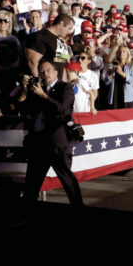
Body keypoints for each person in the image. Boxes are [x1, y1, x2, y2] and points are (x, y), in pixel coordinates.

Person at [18, 59, 83, 206]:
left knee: (67, 180)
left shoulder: (65, 88)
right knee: (32, 183)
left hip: (57, 143)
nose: (45, 74)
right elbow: (24, 109)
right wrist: (25, 90)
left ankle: (79, 207)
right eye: (42, 72)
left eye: (48, 71)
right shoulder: (37, 89)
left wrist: (44, 96)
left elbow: (62, 109)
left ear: (55, 72)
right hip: (38, 143)